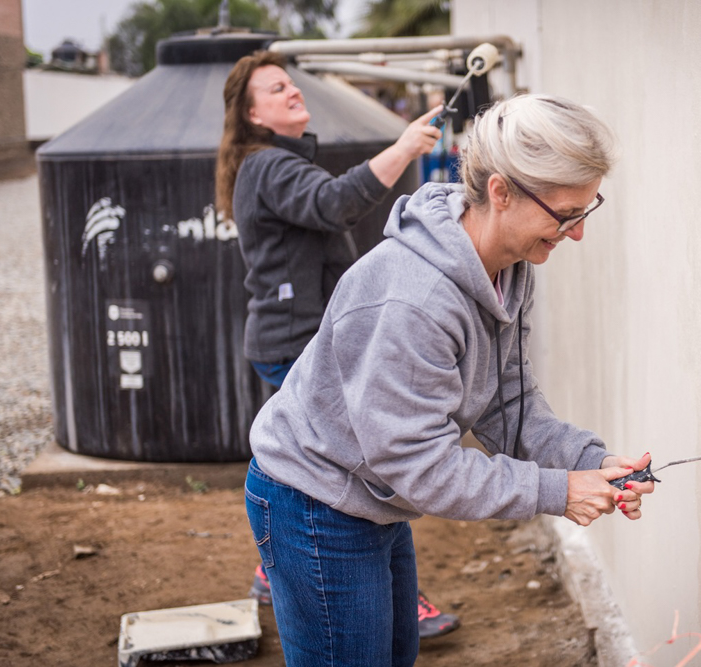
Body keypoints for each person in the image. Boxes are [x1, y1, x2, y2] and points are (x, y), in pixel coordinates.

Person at [243, 92, 655, 667]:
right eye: (565, 216)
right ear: (500, 192)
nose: (576, 234)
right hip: (314, 497)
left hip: (372, 489)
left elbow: (505, 396)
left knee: (393, 654)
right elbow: (421, 466)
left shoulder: (508, 267)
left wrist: (587, 461)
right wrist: (557, 490)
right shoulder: (414, 299)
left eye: (586, 211)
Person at [215, 50, 459, 638]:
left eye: (290, 83)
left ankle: (271, 571)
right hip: (299, 343)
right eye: (275, 89)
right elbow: (334, 203)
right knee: (355, 464)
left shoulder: (272, 163)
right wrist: (403, 148)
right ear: (252, 114)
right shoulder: (270, 165)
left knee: (309, 462)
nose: (291, 92)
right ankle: (371, 588)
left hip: (290, 339)